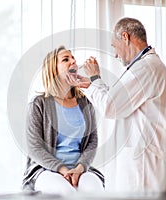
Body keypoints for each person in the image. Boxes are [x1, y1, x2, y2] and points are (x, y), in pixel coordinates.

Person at [77, 17, 166, 192]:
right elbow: (122, 100)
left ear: (125, 37)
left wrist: (95, 78)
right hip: (145, 162)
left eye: (114, 46)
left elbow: (111, 107)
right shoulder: (146, 67)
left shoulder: (145, 68)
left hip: (144, 167)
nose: (115, 54)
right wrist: (91, 85)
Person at [22, 46, 104, 195]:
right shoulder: (38, 104)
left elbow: (92, 142)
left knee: (94, 190)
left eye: (73, 59)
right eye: (66, 59)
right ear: (54, 70)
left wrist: (79, 168)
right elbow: (34, 147)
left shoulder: (86, 103)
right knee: (66, 193)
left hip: (80, 168)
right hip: (46, 170)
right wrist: (63, 169)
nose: (73, 61)